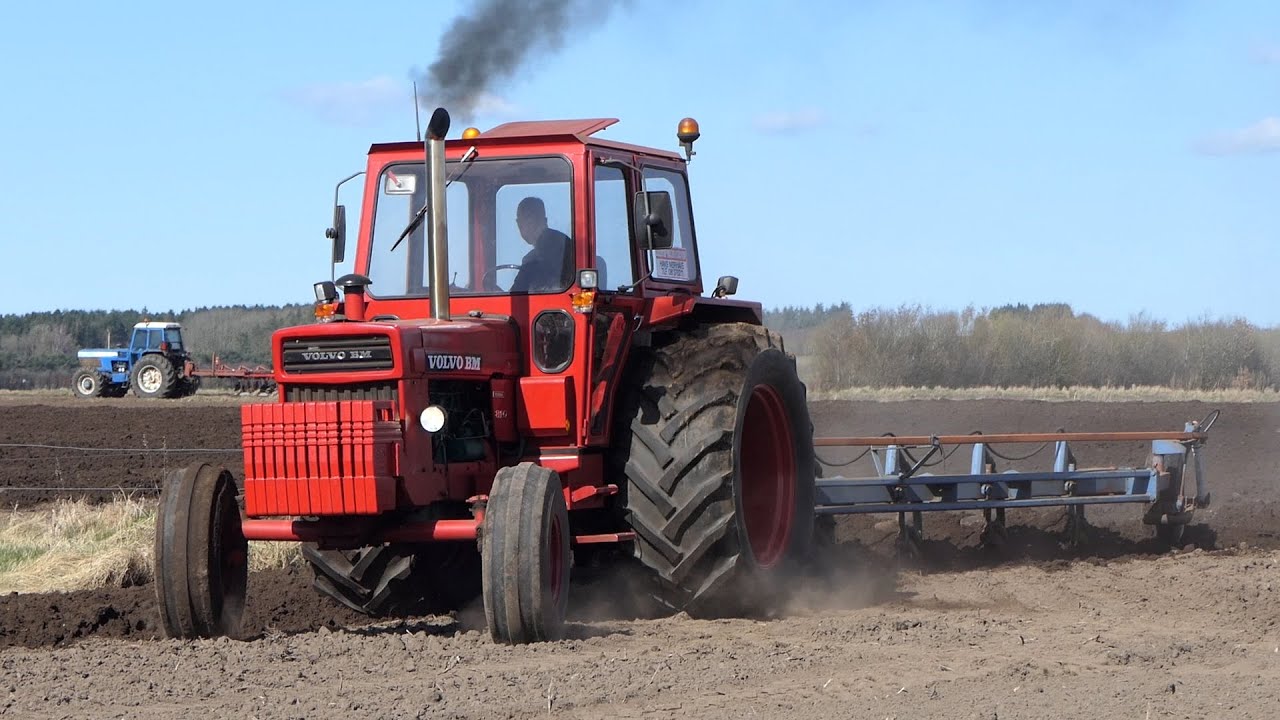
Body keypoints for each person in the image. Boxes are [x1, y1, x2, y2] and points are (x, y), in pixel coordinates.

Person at [510, 197, 574, 293]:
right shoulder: (564, 241)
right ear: (545, 220)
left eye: (520, 223)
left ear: (528, 222)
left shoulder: (533, 259)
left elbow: (515, 294)